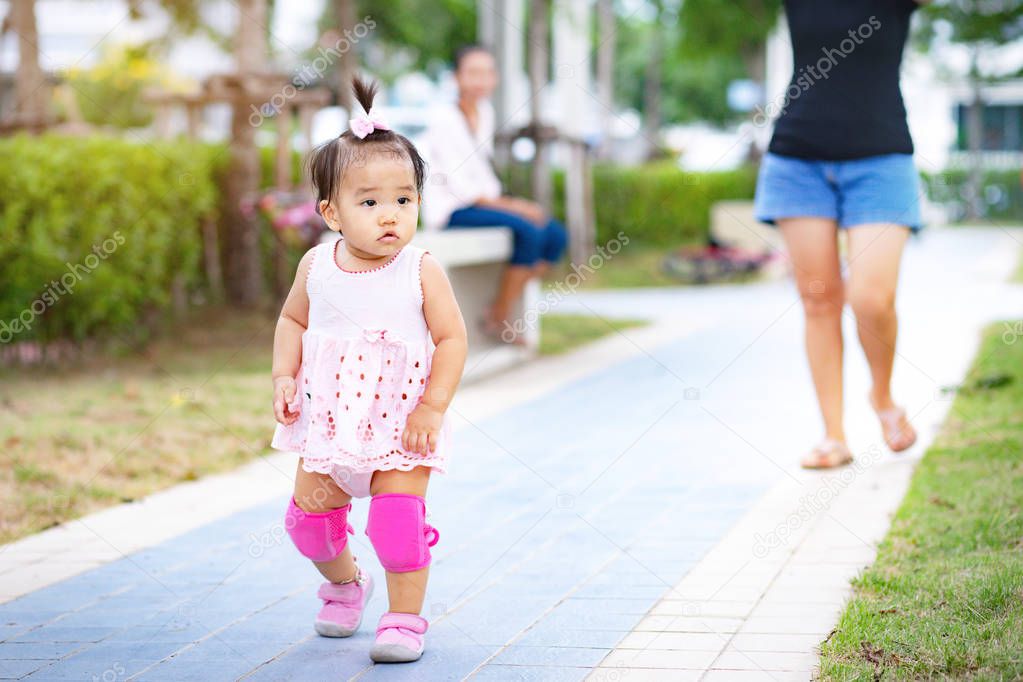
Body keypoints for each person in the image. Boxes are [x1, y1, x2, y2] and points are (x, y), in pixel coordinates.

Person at [270, 76, 468, 663]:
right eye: (371, 201)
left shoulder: (420, 269)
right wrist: (284, 374)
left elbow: (453, 337)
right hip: (330, 420)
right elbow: (292, 323)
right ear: (331, 212)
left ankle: (404, 620)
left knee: (397, 525)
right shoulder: (316, 266)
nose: (391, 216)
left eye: (404, 200)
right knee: (308, 521)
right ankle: (345, 583)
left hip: (403, 421)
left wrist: (432, 407)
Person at [753, 0, 927, 468]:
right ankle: (833, 436)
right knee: (819, 298)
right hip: (798, 158)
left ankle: (883, 396)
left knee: (872, 298)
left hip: (882, 157)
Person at [421, 44, 568, 342]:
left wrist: (512, 204)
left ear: (496, 78)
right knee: (528, 231)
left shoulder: (485, 112)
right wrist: (513, 206)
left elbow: (483, 174)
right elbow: (462, 187)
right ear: (456, 78)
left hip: (481, 202)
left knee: (556, 235)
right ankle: (499, 316)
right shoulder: (444, 119)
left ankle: (500, 305)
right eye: (472, 72)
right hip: (453, 209)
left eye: (487, 72)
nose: (480, 80)